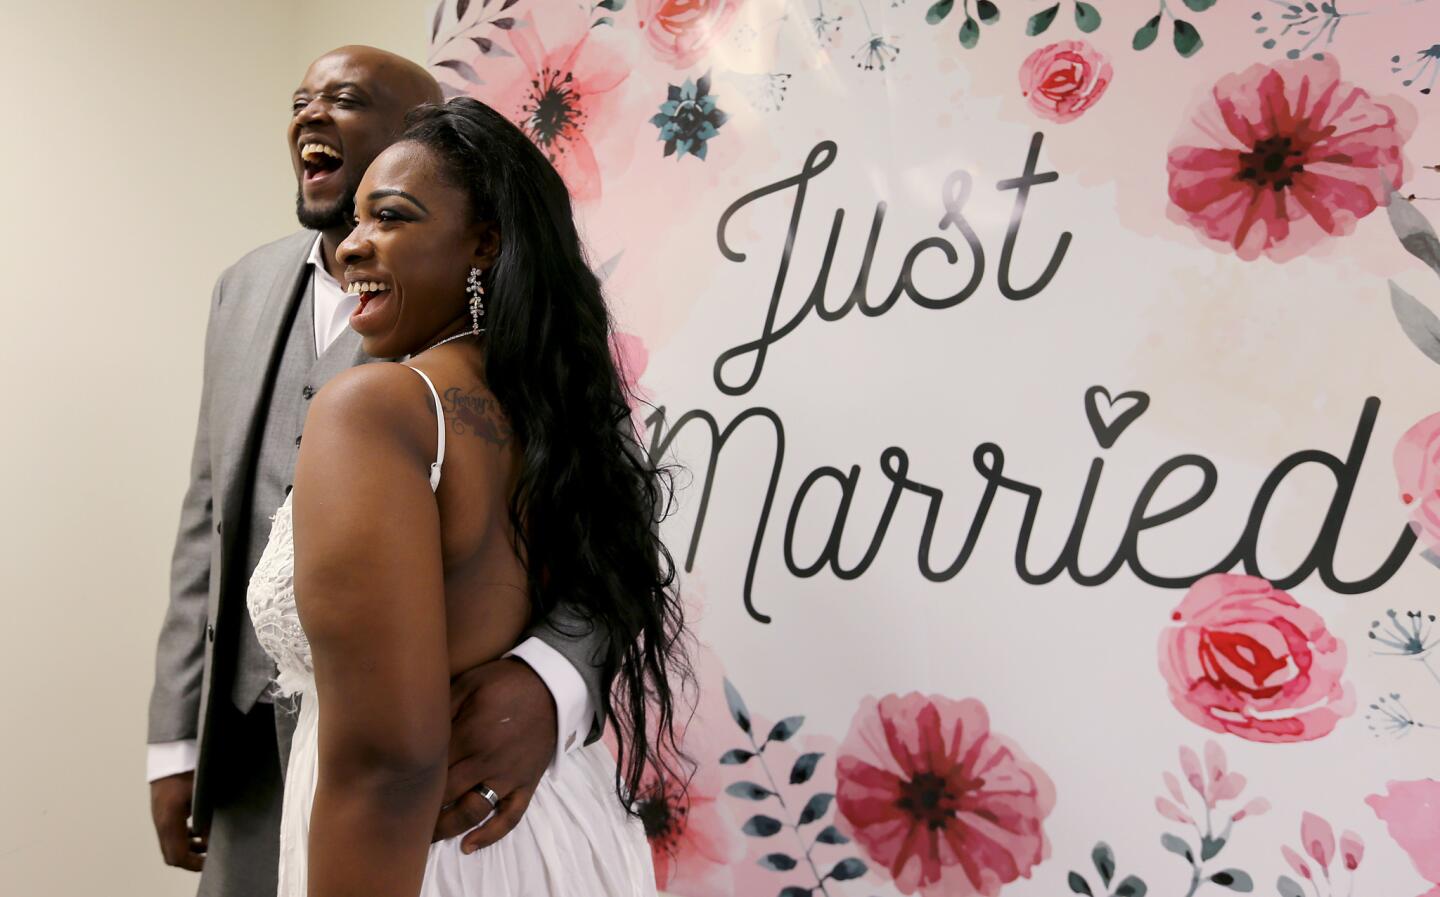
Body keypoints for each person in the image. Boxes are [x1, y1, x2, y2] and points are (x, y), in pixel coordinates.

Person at [148, 47, 622, 896]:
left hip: (436, 810)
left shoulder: (510, 379)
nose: (311, 115)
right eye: (301, 99)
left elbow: (610, 538)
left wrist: (548, 688)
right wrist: (176, 740)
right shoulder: (243, 288)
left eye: (346, 100)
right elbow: (208, 517)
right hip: (258, 762)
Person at [246, 96, 687, 896]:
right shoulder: (557, 408)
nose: (350, 248)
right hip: (559, 837)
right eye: (354, 222)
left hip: (422, 855)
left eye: (391, 218)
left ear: (483, 243)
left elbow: (389, 765)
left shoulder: (375, 407)